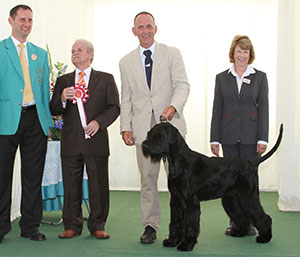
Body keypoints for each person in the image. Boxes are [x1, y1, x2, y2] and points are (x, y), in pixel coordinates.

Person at [119, 11, 190, 244]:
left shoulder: (172, 54)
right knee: (147, 180)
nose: (145, 31)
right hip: (143, 129)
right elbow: (126, 97)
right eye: (141, 27)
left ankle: (181, 226)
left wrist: (173, 107)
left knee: (178, 182)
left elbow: (182, 85)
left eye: (149, 26)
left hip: (171, 129)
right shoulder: (126, 62)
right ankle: (150, 225)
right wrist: (125, 127)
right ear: (134, 31)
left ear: (155, 29)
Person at [50, 39, 120, 239]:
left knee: (98, 184)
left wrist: (99, 122)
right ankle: (72, 226)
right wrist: (62, 97)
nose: (75, 53)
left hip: (96, 139)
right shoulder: (64, 81)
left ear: (91, 54)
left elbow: (114, 107)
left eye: (79, 50)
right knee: (71, 185)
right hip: (71, 141)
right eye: (72, 50)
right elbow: (54, 109)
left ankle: (98, 225)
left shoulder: (105, 79)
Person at [0, 5, 53, 243]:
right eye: (22, 19)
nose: (27, 24)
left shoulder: (40, 54)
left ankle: (30, 226)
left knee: (33, 177)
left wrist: (47, 124)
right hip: (6, 121)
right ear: (11, 20)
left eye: (30, 19)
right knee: (2, 177)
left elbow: (44, 94)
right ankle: (1, 228)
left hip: (35, 121)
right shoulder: (1, 50)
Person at [210, 35, 269, 236]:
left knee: (250, 183)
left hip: (251, 137)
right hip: (228, 136)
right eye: (238, 51)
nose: (242, 55)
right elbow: (217, 108)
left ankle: (252, 222)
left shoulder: (260, 77)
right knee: (230, 183)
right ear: (232, 54)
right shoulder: (221, 77)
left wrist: (263, 138)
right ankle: (236, 222)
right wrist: (214, 138)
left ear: (250, 54)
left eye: (245, 51)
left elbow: (264, 109)